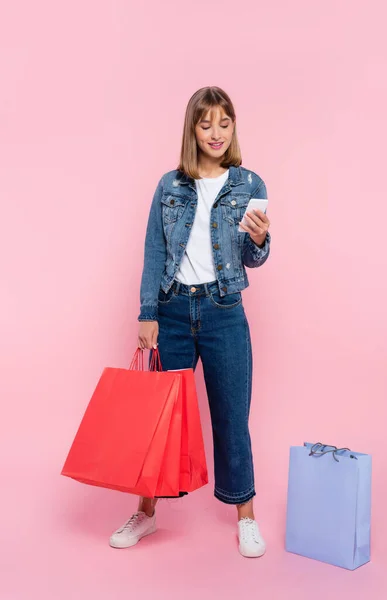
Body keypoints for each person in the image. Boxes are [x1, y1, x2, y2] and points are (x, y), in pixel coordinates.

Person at [109, 86, 271, 558]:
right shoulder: (170, 185)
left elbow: (252, 258)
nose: (216, 133)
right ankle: (146, 512)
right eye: (206, 124)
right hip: (174, 312)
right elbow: (155, 251)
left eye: (224, 123)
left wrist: (260, 240)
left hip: (225, 313)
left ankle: (246, 517)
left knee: (232, 419)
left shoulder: (249, 184)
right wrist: (147, 312)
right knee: (160, 422)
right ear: (192, 130)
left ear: (233, 126)